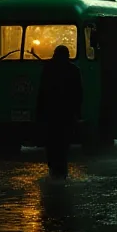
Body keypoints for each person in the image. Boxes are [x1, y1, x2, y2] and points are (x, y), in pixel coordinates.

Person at [37, 45, 83, 179]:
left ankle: (53, 169)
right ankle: (61, 171)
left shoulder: (48, 69)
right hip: (66, 114)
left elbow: (42, 93)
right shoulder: (73, 70)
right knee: (63, 144)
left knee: (51, 143)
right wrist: (77, 113)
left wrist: (39, 113)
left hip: (51, 114)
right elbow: (78, 94)